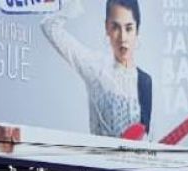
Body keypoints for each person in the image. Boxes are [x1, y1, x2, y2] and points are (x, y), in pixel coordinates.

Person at [41, 0, 153, 139]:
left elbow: (146, 138)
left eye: (129, 28)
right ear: (107, 27)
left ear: (137, 30)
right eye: (115, 27)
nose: (123, 37)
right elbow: (49, 26)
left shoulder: (145, 81)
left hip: (132, 161)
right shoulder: (95, 67)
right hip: (98, 160)